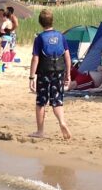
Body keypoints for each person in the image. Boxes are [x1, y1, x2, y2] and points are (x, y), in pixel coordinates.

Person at [29, 9, 71, 140]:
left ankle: (40, 131)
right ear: (52, 20)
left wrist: (31, 77)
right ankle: (62, 122)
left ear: (40, 22)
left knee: (41, 101)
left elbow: (35, 58)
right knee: (57, 100)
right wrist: (68, 74)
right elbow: (67, 56)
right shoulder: (61, 36)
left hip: (44, 71)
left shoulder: (40, 38)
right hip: (59, 70)